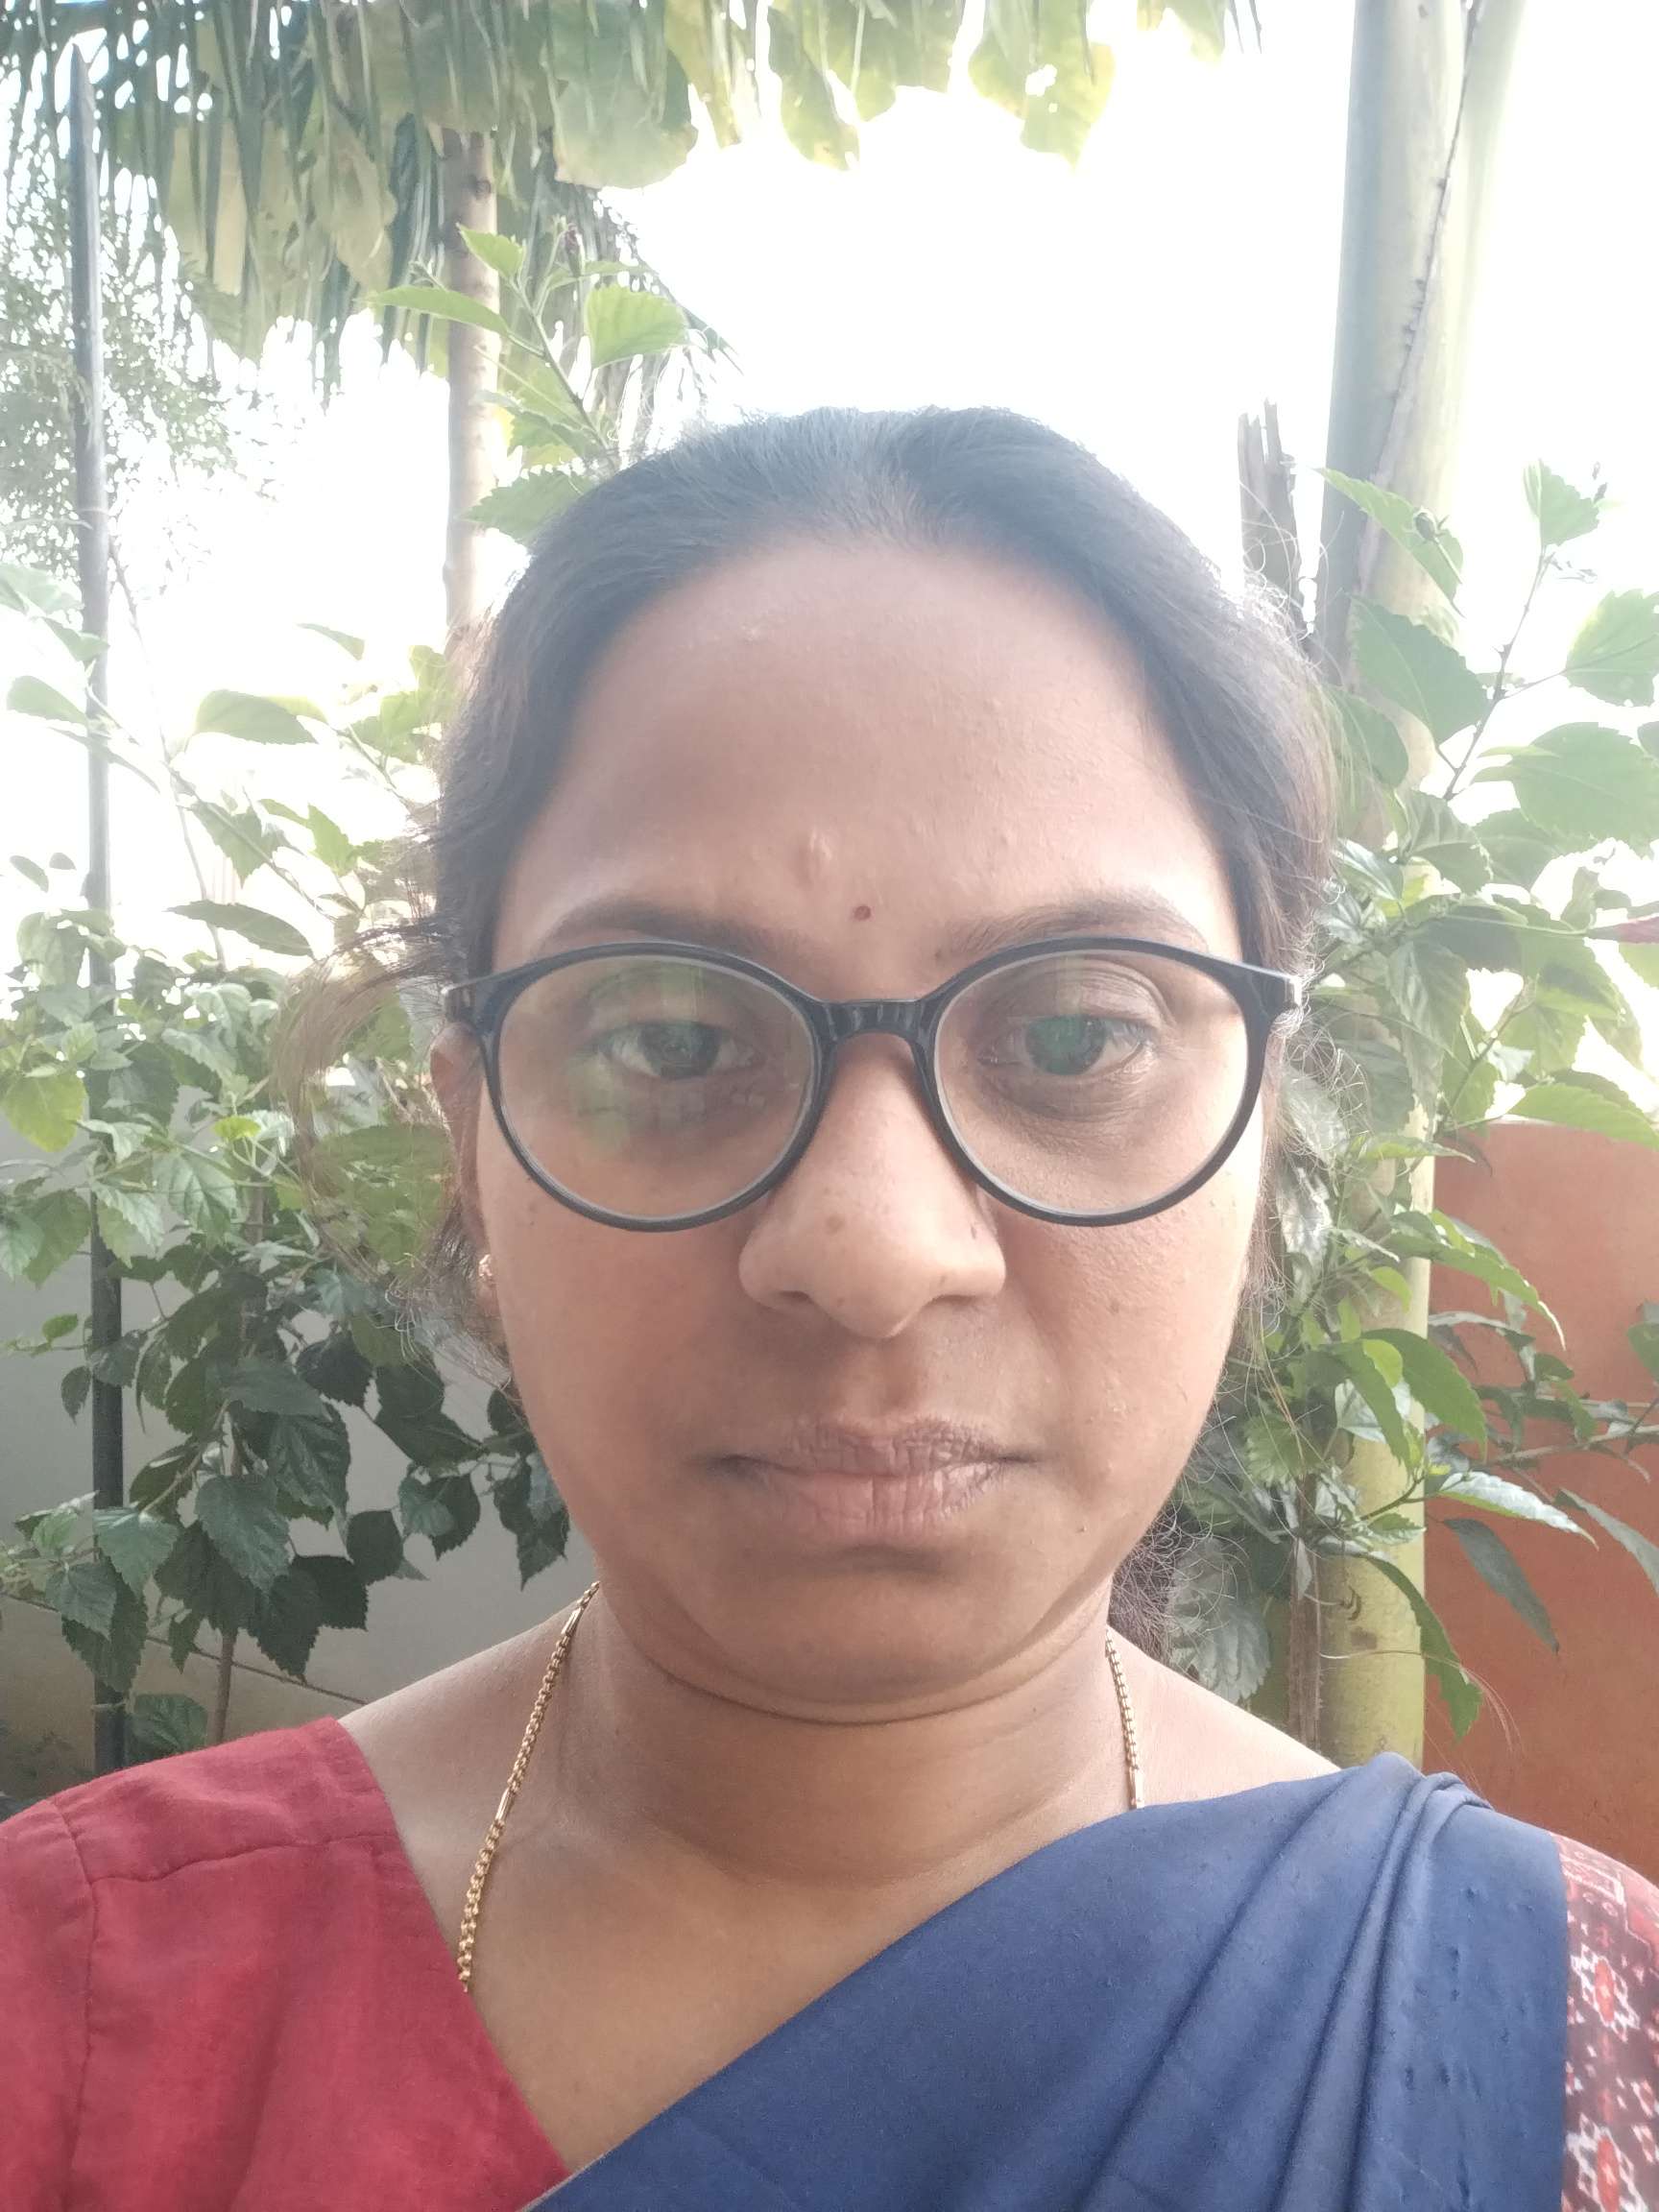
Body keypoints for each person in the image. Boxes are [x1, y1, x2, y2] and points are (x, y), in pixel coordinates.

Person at [2, 407, 1653, 2212]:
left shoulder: (1568, 2048)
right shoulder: (73, 2014)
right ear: (471, 1143)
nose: (873, 1251)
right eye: (671, 1042)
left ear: (1267, 1127)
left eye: (1074, 1037)